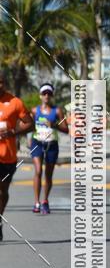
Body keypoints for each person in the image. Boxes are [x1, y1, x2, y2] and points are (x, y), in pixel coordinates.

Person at [0, 70, 33, 241]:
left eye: (1, 81)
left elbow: (30, 124)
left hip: (8, 156)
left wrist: (12, 132)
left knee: (2, 191)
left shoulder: (15, 102)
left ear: (5, 83)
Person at [29, 83, 68, 214]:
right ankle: (36, 202)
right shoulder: (34, 111)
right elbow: (28, 125)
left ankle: (45, 200)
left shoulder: (57, 111)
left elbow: (66, 129)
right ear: (40, 95)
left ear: (51, 96)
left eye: (49, 94)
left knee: (48, 175)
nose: (46, 96)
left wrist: (54, 124)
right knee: (38, 171)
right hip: (37, 143)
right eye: (44, 93)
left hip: (52, 145)